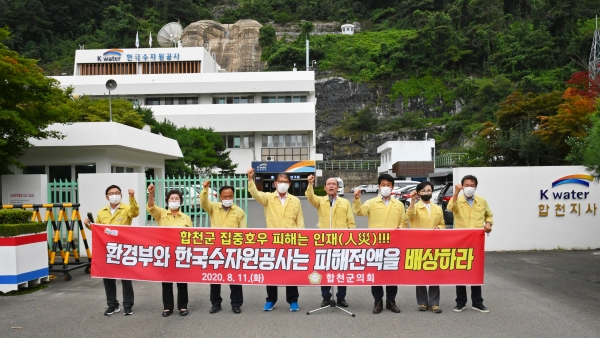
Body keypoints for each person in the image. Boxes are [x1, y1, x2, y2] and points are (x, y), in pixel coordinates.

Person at [247, 168, 305, 312]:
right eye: (280, 181)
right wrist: (250, 179)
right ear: (275, 183)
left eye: (285, 182)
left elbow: (300, 221)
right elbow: (255, 194)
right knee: (272, 271)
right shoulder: (268, 198)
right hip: (272, 241)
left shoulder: (295, 200)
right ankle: (271, 300)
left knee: (290, 272)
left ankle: (293, 300)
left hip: (291, 240)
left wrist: (300, 239)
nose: (283, 184)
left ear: (290, 184)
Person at [352, 173, 407, 314]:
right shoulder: (371, 202)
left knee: (392, 274)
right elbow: (359, 212)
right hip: (375, 244)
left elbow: (404, 222)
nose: (386, 187)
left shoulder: (399, 204)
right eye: (383, 185)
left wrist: (401, 227)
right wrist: (357, 200)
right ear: (379, 186)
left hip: (393, 244)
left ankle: (391, 301)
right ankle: (378, 301)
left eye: (389, 185)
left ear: (393, 187)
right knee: (376, 274)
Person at [84, 185, 139, 316]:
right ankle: (112, 305)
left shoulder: (127, 209)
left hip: (123, 248)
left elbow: (135, 212)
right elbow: (98, 230)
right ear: (107, 197)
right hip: (107, 249)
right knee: (108, 277)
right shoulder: (101, 212)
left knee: (126, 278)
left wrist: (132, 197)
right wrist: (89, 226)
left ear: (121, 195)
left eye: (117, 193)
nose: (114, 195)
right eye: (111, 193)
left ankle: (127, 305)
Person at [306, 174, 355, 308]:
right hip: (324, 242)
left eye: (334, 184)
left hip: (341, 242)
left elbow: (351, 222)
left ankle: (341, 297)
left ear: (338, 187)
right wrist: (310, 184)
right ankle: (326, 297)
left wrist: (351, 239)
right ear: (325, 188)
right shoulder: (321, 201)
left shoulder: (345, 203)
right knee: (324, 270)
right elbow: (310, 197)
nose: (331, 186)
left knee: (341, 271)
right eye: (329, 184)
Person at [447, 175, 493, 313]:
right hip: (460, 241)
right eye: (466, 185)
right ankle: (460, 302)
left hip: (476, 241)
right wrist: (456, 193)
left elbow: (489, 215)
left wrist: (489, 223)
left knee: (475, 271)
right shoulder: (457, 200)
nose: (469, 188)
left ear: (476, 187)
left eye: (472, 185)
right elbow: (450, 208)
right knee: (460, 271)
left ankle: (477, 302)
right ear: (462, 186)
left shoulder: (482, 201)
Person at [200, 180, 246, 315]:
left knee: (235, 278)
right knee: (215, 277)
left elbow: (243, 230)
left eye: (230, 196)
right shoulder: (213, 207)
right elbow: (203, 203)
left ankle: (236, 304)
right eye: (225, 196)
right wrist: (205, 189)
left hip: (233, 249)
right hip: (216, 249)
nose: (228, 198)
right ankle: (215, 303)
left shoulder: (239, 211)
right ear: (220, 197)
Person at [147, 183, 193, 317]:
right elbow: (150, 207)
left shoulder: (186, 218)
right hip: (165, 253)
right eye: (171, 198)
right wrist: (151, 193)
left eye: (177, 199)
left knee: (182, 281)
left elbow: (190, 236)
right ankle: (167, 307)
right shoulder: (161, 214)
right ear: (167, 201)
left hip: (181, 253)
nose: (174, 201)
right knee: (166, 281)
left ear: (181, 201)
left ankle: (183, 306)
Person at [406, 181, 445, 313]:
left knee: (434, 274)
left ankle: (434, 303)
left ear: (432, 192)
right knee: (420, 274)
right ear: (418, 193)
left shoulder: (438, 209)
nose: (426, 193)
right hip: (418, 244)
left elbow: (442, 224)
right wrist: (412, 200)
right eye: (423, 191)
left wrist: (438, 228)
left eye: (428, 190)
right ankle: (422, 302)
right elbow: (409, 216)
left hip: (434, 245)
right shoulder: (414, 207)